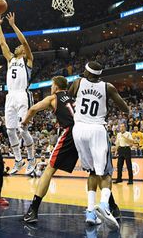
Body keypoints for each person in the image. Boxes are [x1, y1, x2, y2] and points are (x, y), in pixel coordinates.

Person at [21, 76, 121, 223]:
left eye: (51, 86)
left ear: (55, 87)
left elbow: (33, 109)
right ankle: (112, 207)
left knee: (49, 170)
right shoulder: (76, 96)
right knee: (97, 171)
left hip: (72, 132)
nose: (51, 88)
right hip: (87, 131)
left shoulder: (53, 98)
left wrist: (25, 122)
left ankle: (33, 210)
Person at [69, 61, 129, 228]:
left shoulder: (78, 82)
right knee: (106, 172)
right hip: (97, 129)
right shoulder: (107, 86)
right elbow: (124, 108)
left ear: (86, 72)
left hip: (79, 129)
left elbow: (68, 97)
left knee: (92, 172)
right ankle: (104, 205)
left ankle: (90, 211)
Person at [0, 12, 36, 175]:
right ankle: (18, 161)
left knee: (22, 129)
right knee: (10, 130)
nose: (18, 46)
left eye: (20, 47)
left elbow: (24, 42)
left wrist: (12, 25)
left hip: (22, 95)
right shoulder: (10, 59)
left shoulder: (28, 60)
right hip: (10, 95)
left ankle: (32, 160)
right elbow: (2, 42)